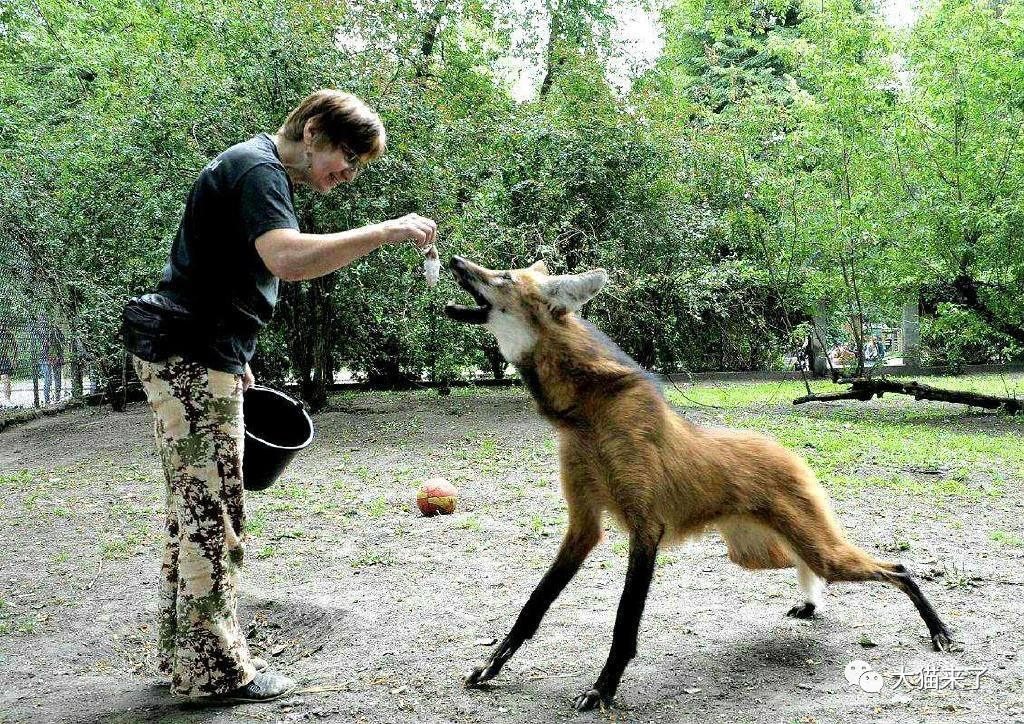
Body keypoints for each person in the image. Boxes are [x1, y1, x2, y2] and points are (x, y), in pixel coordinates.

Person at [125, 90, 437, 704]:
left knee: (193, 512)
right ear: (314, 131)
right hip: (189, 356)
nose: (347, 174)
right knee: (213, 518)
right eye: (346, 157)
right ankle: (214, 674)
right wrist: (384, 231)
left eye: (357, 167)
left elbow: (215, 272)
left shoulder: (250, 168)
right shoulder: (261, 171)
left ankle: (184, 656)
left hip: (196, 351)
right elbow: (287, 260)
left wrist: (234, 359)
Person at [0, 321, 18, 406]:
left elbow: (15, 346)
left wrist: (15, 359)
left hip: (4, 358)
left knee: (6, 379)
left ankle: (7, 400)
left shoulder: (8, 334)